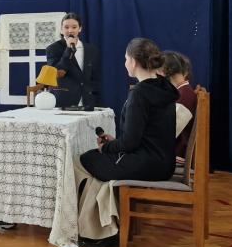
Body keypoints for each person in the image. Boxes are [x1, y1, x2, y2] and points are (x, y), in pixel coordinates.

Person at [80, 38, 178, 182]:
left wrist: (106, 147)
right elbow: (147, 135)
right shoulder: (164, 87)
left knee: (86, 158)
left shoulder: (139, 93)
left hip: (147, 165)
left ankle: (109, 197)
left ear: (134, 62)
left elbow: (130, 143)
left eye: (126, 59)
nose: (125, 63)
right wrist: (115, 143)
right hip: (166, 165)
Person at [46, 13, 101, 108]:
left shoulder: (91, 49)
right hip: (64, 101)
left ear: (80, 28)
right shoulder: (53, 49)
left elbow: (94, 77)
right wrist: (69, 49)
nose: (70, 30)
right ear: (61, 30)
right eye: (66, 27)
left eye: (74, 27)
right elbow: (57, 73)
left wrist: (94, 97)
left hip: (87, 101)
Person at [161, 51, 196, 161]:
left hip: (175, 154)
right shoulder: (180, 92)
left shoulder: (185, 95)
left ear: (164, 72)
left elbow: (169, 132)